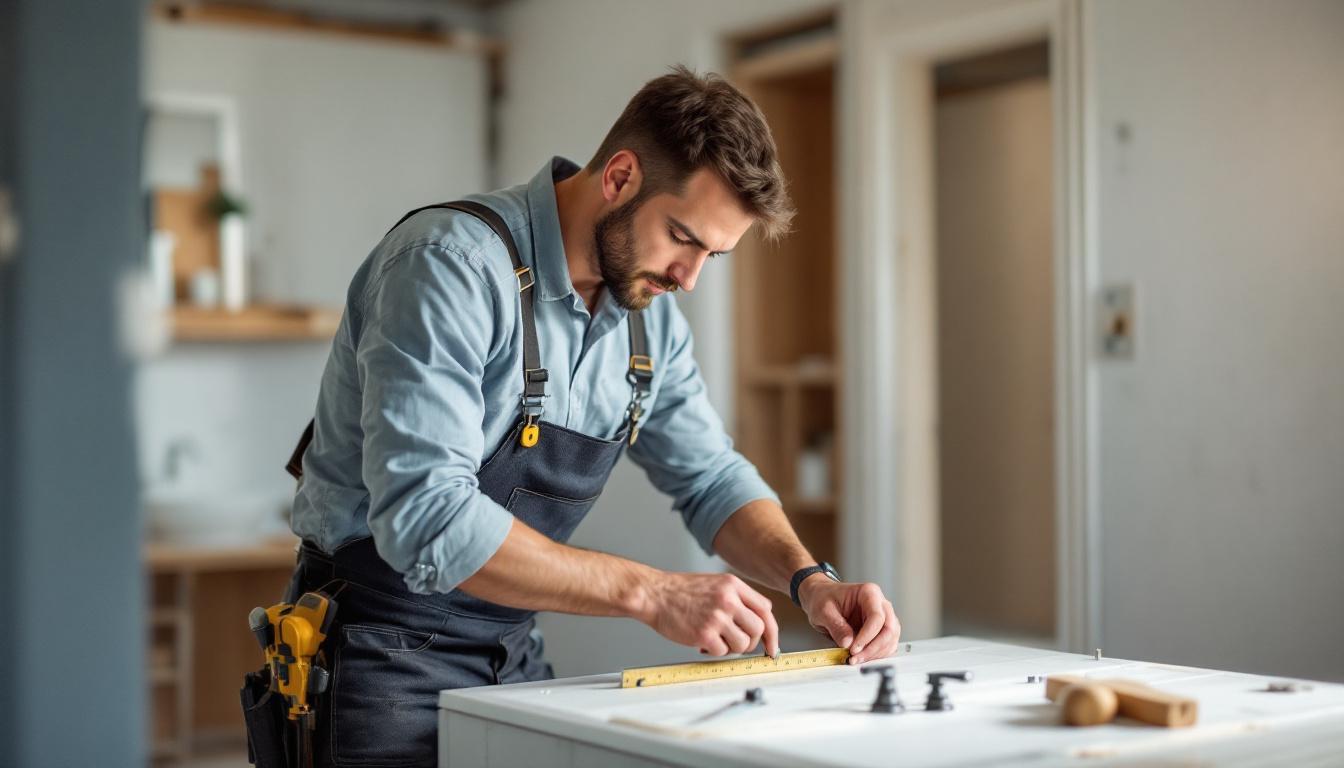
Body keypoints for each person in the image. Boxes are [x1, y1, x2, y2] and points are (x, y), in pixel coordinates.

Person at [283, 66, 900, 766]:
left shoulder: (647, 317)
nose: (688, 278)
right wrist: (651, 592)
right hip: (379, 655)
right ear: (620, 177)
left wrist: (809, 579)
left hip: (510, 652)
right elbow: (427, 516)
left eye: (712, 256)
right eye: (682, 237)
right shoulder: (449, 265)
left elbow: (710, 478)